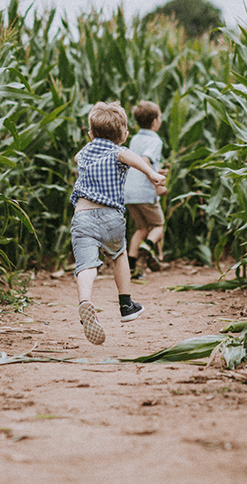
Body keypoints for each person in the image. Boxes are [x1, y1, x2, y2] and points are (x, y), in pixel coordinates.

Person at [70, 101, 166, 345]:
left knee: (86, 265)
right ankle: (126, 305)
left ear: (91, 134)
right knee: (119, 254)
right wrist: (152, 174)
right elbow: (131, 157)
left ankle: (85, 303)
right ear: (123, 135)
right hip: (111, 216)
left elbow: (77, 157)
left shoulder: (85, 152)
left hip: (82, 216)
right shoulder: (117, 151)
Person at [123, 101, 167, 279]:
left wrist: (157, 170)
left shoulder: (135, 139)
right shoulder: (155, 141)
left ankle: (132, 269)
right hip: (144, 192)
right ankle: (148, 247)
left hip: (128, 192)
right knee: (158, 226)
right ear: (155, 121)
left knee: (141, 228)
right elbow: (146, 160)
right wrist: (156, 181)